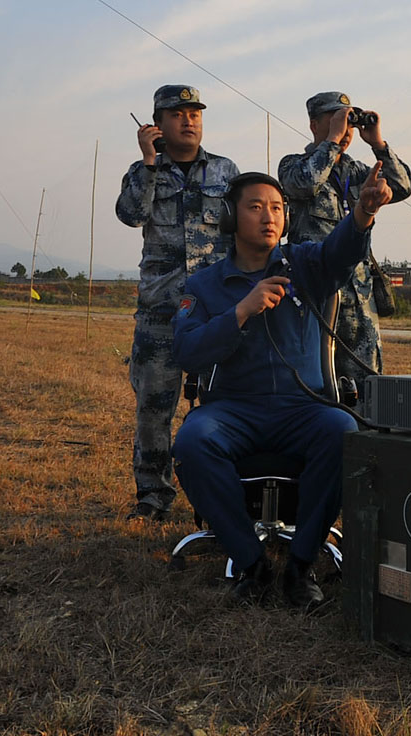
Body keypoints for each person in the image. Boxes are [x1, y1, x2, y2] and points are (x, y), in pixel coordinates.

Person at [170, 167, 393, 608]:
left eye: (276, 208)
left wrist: (364, 212)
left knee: (344, 432)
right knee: (193, 441)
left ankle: (301, 565)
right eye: (255, 207)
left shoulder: (306, 264)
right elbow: (186, 351)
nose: (268, 217)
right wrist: (239, 312)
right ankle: (251, 563)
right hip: (233, 410)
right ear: (231, 218)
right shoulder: (204, 285)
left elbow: (341, 251)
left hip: (302, 407)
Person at [115, 85, 240, 522]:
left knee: (225, 407)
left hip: (215, 313)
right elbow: (131, 214)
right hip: (161, 315)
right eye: (178, 113)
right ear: (157, 124)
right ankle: (153, 497)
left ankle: (223, 495)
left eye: (195, 113)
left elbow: (241, 231)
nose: (189, 120)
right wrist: (150, 163)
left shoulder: (226, 171)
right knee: (154, 410)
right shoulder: (141, 172)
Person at [278, 92, 411, 394]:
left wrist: (378, 144)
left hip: (360, 300)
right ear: (314, 125)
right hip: (316, 297)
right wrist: (333, 142)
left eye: (349, 121)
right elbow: (303, 184)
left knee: (369, 390)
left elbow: (403, 187)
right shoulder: (293, 165)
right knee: (315, 386)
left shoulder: (357, 172)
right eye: (336, 119)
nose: (346, 128)